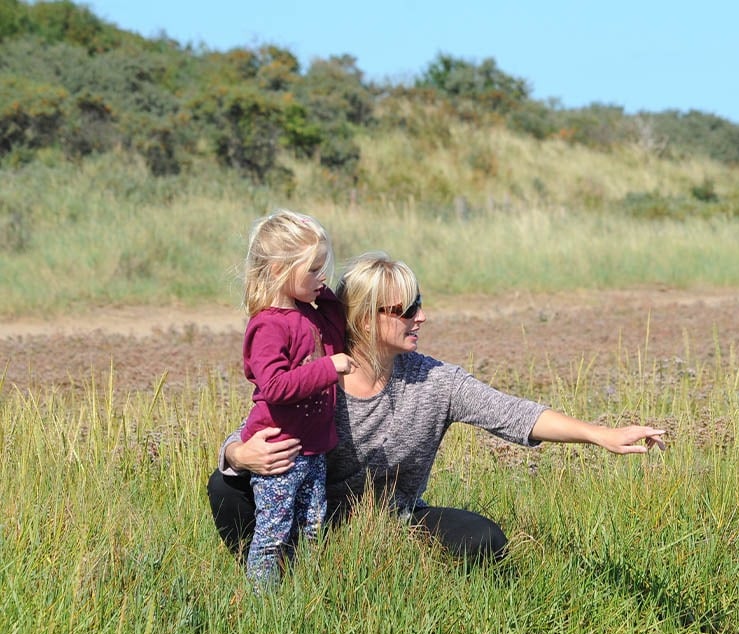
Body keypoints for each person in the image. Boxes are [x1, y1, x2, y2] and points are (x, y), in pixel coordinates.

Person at [208, 251, 665, 567]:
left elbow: (514, 414)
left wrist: (600, 434)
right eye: (406, 309)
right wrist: (236, 456)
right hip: (306, 513)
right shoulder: (321, 372)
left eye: (420, 304)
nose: (421, 317)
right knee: (226, 489)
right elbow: (257, 425)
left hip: (393, 521)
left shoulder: (434, 381)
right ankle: (272, 576)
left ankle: (388, 569)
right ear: (366, 318)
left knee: (483, 540)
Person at [237, 209, 355, 590]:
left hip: (312, 450)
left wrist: (329, 299)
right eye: (313, 270)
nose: (322, 276)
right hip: (280, 451)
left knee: (311, 529)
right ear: (277, 270)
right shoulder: (268, 324)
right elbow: (273, 385)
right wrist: (327, 369)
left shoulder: (310, 314)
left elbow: (337, 337)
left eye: (324, 268)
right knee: (273, 532)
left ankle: (302, 594)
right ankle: (262, 602)